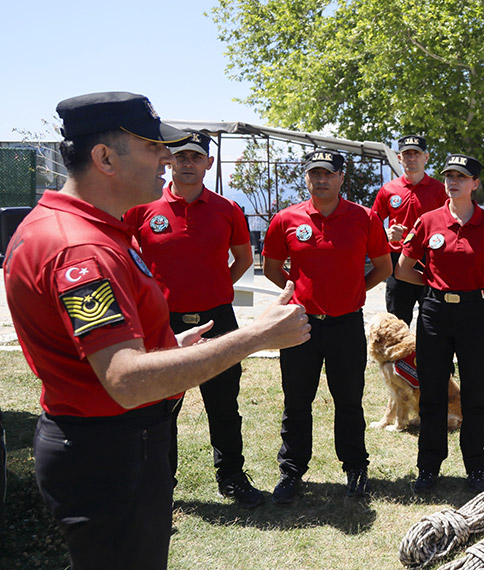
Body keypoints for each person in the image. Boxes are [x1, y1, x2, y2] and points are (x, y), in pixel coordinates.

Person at [4, 91, 309, 569]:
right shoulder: (82, 249)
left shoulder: (75, 228)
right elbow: (126, 380)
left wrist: (166, 344)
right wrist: (257, 336)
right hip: (109, 451)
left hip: (99, 443)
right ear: (104, 157)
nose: (167, 159)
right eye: (153, 146)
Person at [124, 130, 264, 508]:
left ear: (209, 164)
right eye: (181, 156)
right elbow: (125, 260)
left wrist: (216, 289)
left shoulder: (227, 209)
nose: (188, 163)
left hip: (218, 320)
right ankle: (160, 485)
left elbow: (244, 260)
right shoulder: (142, 208)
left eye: (195, 157)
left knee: (224, 404)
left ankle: (232, 478)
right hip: (162, 322)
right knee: (160, 408)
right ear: (169, 162)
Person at [262, 149, 392, 504]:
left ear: (341, 178)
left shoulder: (365, 218)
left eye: (328, 173)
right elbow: (273, 267)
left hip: (346, 324)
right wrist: (298, 291)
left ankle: (355, 469)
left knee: (348, 401)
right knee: (296, 400)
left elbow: (384, 267)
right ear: (306, 178)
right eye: (314, 173)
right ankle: (291, 472)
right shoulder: (286, 219)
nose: (321, 179)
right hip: (299, 324)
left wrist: (352, 290)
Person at [398, 153, 484, 494]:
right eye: (449, 175)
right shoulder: (428, 221)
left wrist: (475, 284)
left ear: (475, 184)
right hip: (435, 314)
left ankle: (477, 469)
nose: (453, 181)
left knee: (475, 397)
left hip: (474, 315)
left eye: (461, 177)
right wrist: (436, 285)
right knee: (432, 395)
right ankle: (428, 468)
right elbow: (403, 269)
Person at [371, 135, 447, 324]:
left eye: (416, 154)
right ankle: (400, 355)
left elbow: (451, 224)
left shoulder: (439, 190)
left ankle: (426, 355)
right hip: (397, 261)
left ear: (426, 157)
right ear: (399, 158)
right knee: (397, 322)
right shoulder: (388, 190)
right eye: (407, 154)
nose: (411, 158)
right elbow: (371, 224)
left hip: (430, 261)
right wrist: (385, 235)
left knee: (431, 320)